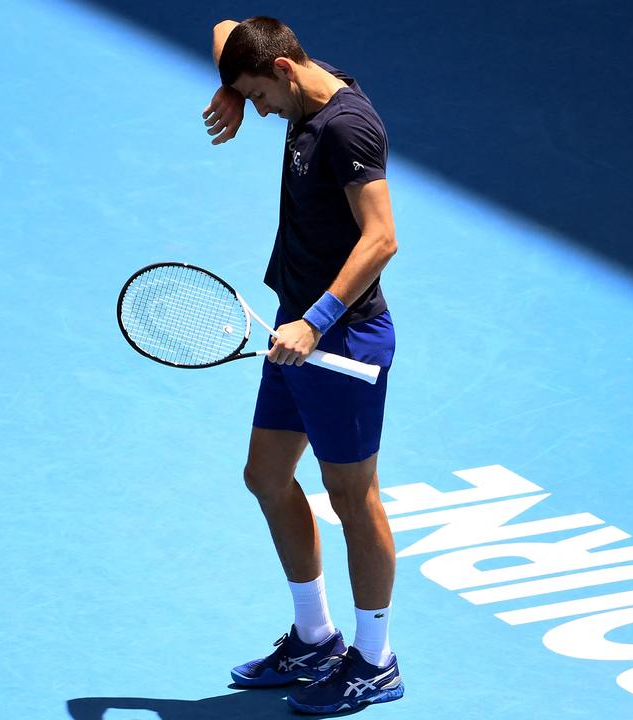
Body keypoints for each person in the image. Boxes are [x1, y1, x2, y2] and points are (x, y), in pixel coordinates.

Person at [201, 16, 403, 714]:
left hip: (339, 342)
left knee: (353, 499)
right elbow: (228, 24)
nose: (257, 112)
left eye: (259, 96)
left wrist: (315, 325)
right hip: (293, 332)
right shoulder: (297, 88)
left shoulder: (347, 129)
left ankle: (375, 660)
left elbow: (382, 239)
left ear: (285, 72)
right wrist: (227, 85)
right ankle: (315, 638)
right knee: (266, 476)